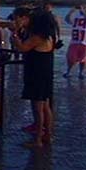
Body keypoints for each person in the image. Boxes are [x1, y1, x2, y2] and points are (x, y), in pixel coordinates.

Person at [14, 10, 56, 147]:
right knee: (45, 106)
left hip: (37, 73)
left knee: (37, 107)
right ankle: (48, 135)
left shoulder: (37, 37)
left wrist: (15, 35)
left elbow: (22, 47)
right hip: (45, 73)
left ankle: (38, 139)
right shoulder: (48, 37)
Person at [63, 4, 86, 80]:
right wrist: (71, 11)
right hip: (75, 40)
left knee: (83, 58)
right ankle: (68, 71)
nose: (82, 9)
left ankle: (81, 72)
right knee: (70, 57)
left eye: (85, 7)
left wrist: (83, 11)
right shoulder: (76, 17)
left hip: (85, 41)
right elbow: (67, 20)